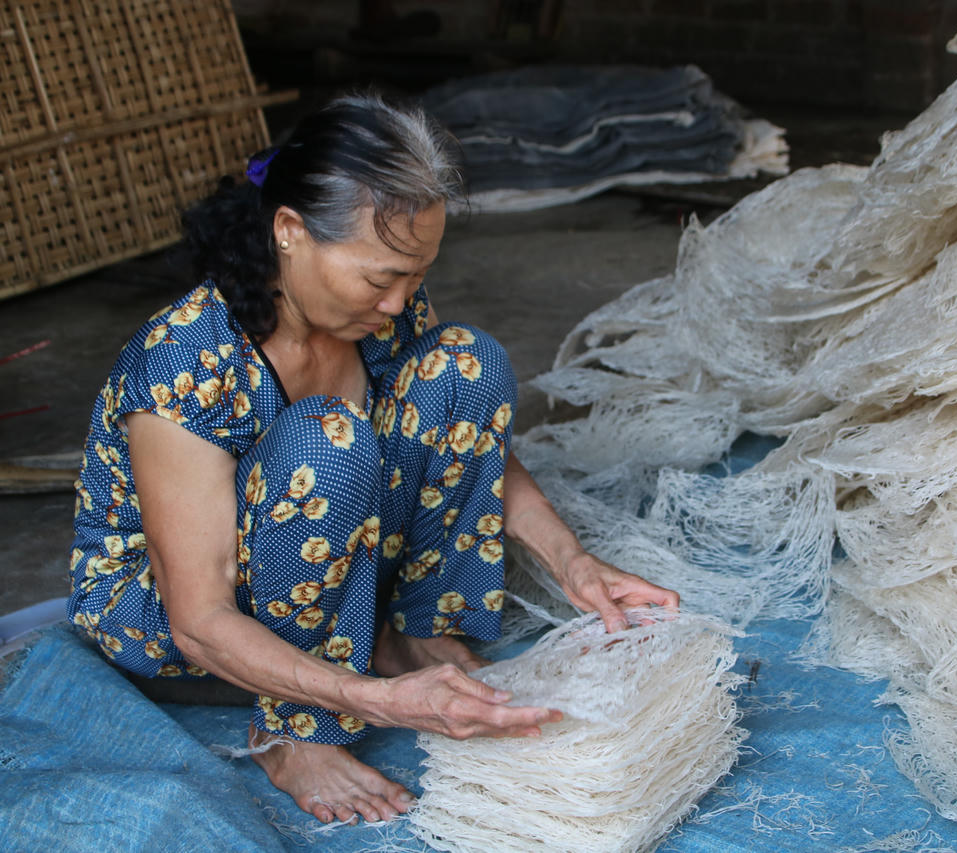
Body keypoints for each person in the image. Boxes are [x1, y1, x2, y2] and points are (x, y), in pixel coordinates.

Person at [66, 92, 678, 826]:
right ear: (290, 232)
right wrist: (375, 703)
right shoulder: (187, 362)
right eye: (382, 276)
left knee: (466, 364)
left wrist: (572, 560)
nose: (399, 300)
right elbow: (198, 616)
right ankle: (294, 732)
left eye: (416, 275)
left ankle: (415, 634)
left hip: (325, 551)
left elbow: (469, 436)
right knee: (326, 442)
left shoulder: (380, 309)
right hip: (172, 613)